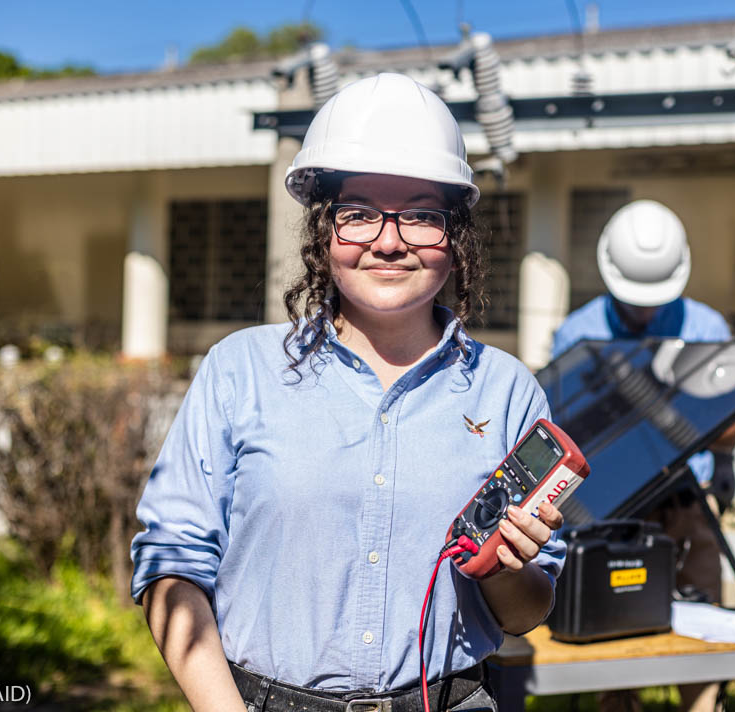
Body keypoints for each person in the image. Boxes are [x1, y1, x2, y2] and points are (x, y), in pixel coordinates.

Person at [130, 73, 567, 712]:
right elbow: (172, 563)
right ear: (323, 232)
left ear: (456, 237)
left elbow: (526, 613)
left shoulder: (507, 392)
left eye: (421, 215)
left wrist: (503, 565)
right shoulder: (239, 371)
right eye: (359, 214)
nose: (389, 241)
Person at [551, 199, 733, 712]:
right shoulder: (577, 336)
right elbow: (566, 431)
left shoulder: (706, 329)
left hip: (686, 506)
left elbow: (729, 426)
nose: (645, 310)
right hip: (610, 510)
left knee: (701, 638)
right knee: (617, 643)